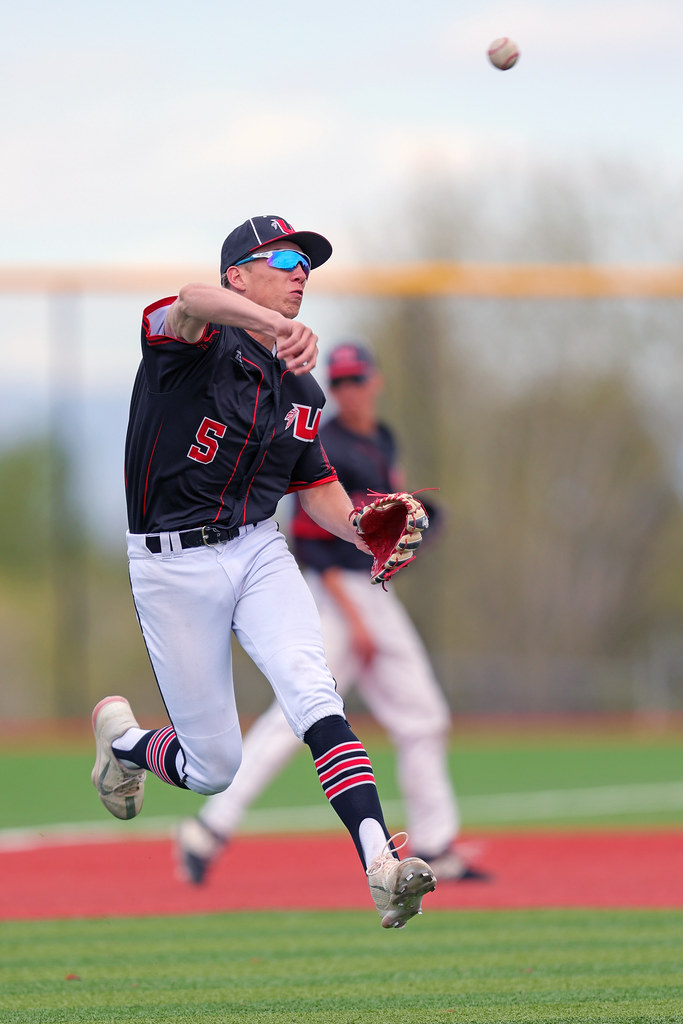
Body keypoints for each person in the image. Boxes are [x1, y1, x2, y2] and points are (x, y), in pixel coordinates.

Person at [90, 215, 436, 930]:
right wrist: (269, 325)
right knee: (213, 767)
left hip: (255, 550)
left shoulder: (301, 389)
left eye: (306, 263)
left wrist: (363, 527)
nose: (299, 270)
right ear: (237, 276)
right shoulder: (190, 347)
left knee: (314, 691)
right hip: (172, 566)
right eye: (281, 258)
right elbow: (190, 298)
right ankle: (124, 744)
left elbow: (317, 490)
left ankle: (380, 863)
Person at [176, 340, 488, 886]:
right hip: (335, 594)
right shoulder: (330, 444)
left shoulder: (381, 438)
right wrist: (356, 620)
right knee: (297, 716)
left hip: (373, 594)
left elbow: (391, 504)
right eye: (339, 382)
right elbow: (312, 545)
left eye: (356, 379)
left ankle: (436, 845)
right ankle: (209, 828)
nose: (348, 390)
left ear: (375, 381)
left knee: (423, 716)